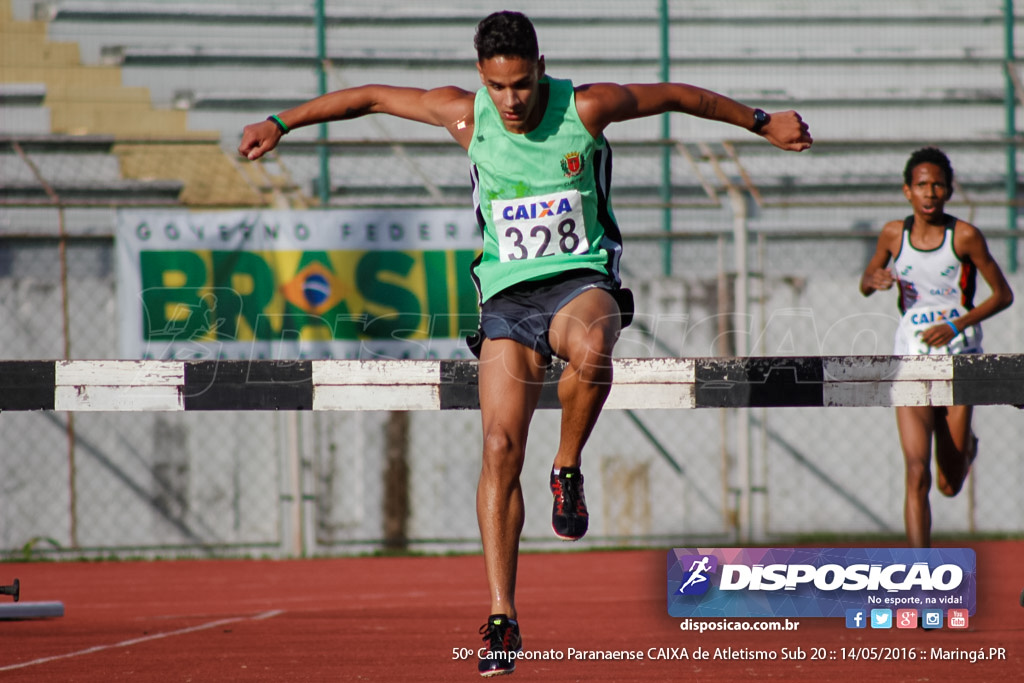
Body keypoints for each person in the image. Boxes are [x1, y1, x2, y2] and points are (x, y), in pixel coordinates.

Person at [239, 11, 812, 677]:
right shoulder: (466, 116)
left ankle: (566, 467)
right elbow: (366, 97)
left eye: (520, 85)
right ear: (480, 78)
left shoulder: (586, 107)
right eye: (497, 86)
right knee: (498, 446)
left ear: (540, 67)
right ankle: (502, 613)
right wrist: (280, 123)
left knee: (594, 349)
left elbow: (678, 95)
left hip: (578, 282)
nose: (510, 102)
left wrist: (761, 120)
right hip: (507, 299)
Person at [860, 147, 1013, 548]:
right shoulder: (895, 234)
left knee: (948, 483)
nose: (930, 193)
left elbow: (1003, 295)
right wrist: (874, 280)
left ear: (949, 191)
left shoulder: (964, 236)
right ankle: (919, 571)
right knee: (916, 471)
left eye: (937, 185)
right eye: (922, 185)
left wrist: (955, 324)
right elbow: (867, 278)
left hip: (959, 359)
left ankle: (967, 450)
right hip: (911, 358)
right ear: (907, 191)